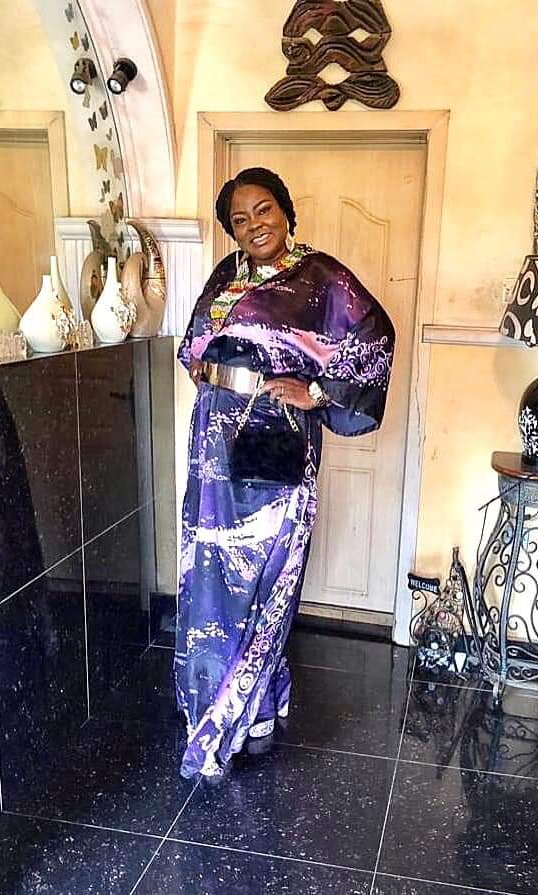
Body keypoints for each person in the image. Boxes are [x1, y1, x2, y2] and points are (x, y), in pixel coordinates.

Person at [175, 167, 395, 779]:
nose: (254, 225)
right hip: (215, 441)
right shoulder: (226, 275)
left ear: (287, 212)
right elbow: (193, 345)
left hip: (275, 435)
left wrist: (316, 391)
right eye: (239, 219)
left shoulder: (321, 277)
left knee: (264, 572)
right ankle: (251, 710)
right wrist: (210, 376)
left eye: (264, 209)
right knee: (213, 571)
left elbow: (375, 339)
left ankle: (233, 717)